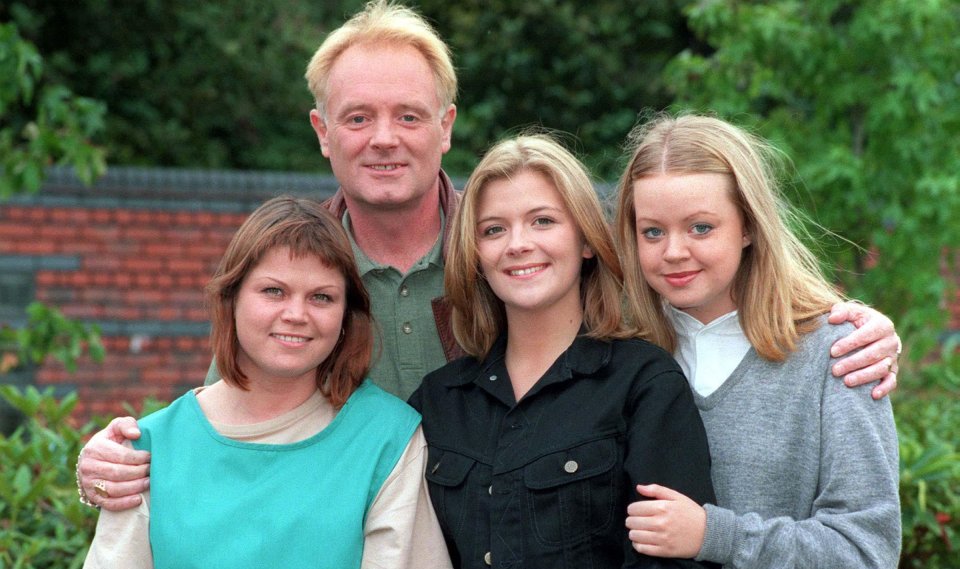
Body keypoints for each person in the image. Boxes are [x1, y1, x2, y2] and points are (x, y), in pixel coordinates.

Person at [74, 0, 900, 512]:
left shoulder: (519, 255)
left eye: (408, 114)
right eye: (357, 118)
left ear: (447, 125)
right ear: (323, 134)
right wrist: (118, 453)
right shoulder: (298, 277)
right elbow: (237, 406)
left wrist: (840, 320)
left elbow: (686, 280)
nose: (385, 139)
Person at [63, 196, 457, 569]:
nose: (296, 314)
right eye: (273, 291)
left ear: (347, 315)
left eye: (322, 297)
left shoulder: (389, 437)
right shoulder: (149, 448)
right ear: (231, 298)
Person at [404, 134, 720, 569]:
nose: (517, 244)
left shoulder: (643, 384)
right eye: (494, 229)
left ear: (587, 241)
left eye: (543, 221)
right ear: (475, 256)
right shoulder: (438, 405)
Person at [618, 115, 905, 569]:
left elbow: (866, 553)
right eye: (652, 232)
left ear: (748, 225)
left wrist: (713, 535)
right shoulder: (624, 362)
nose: (674, 252)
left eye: (701, 228)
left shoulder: (838, 352)